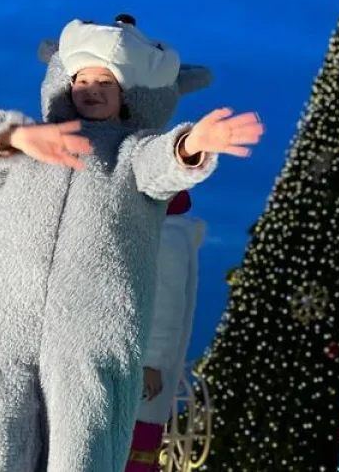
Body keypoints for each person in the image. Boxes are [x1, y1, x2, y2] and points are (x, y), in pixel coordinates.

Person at [0, 15, 263, 472]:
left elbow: (161, 164)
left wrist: (190, 144)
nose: (91, 88)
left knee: (81, 456)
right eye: (81, 79)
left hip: (89, 336)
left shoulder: (131, 153)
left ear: (128, 93)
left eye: (105, 81)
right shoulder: (28, 148)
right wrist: (12, 136)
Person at [125, 190, 206, 472]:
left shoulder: (166, 238)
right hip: (133, 374)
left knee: (130, 456)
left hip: (140, 380)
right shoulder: (156, 234)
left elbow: (167, 307)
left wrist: (153, 362)